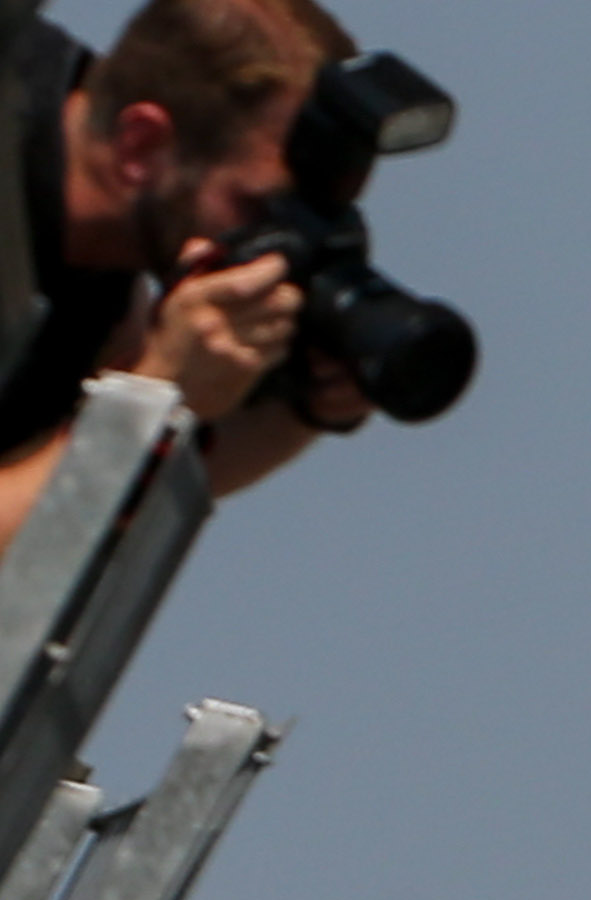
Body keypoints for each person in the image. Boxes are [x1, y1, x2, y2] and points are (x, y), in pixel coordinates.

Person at [0, 0, 375, 556]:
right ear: (141, 145)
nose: (275, 251)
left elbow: (110, 492)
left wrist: (305, 402)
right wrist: (153, 395)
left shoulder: (102, 272)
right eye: (258, 210)